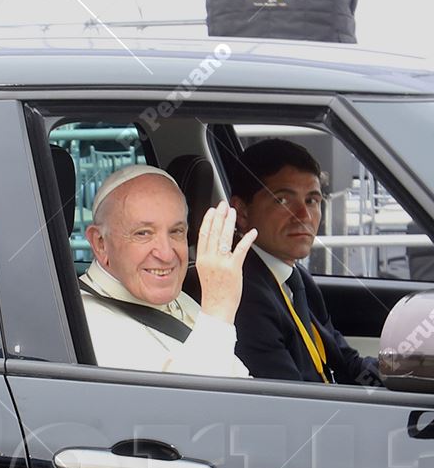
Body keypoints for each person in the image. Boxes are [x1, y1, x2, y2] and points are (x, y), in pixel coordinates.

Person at [223, 138, 380, 385]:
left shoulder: (295, 278)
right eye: (283, 201)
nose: (304, 216)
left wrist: (410, 371)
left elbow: (345, 363)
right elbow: (288, 399)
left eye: (312, 200)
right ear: (241, 212)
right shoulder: (243, 293)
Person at [78, 164, 255, 376]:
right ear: (100, 243)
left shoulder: (180, 299)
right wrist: (218, 309)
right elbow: (192, 405)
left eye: (176, 231)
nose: (166, 254)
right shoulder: (87, 326)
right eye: (143, 233)